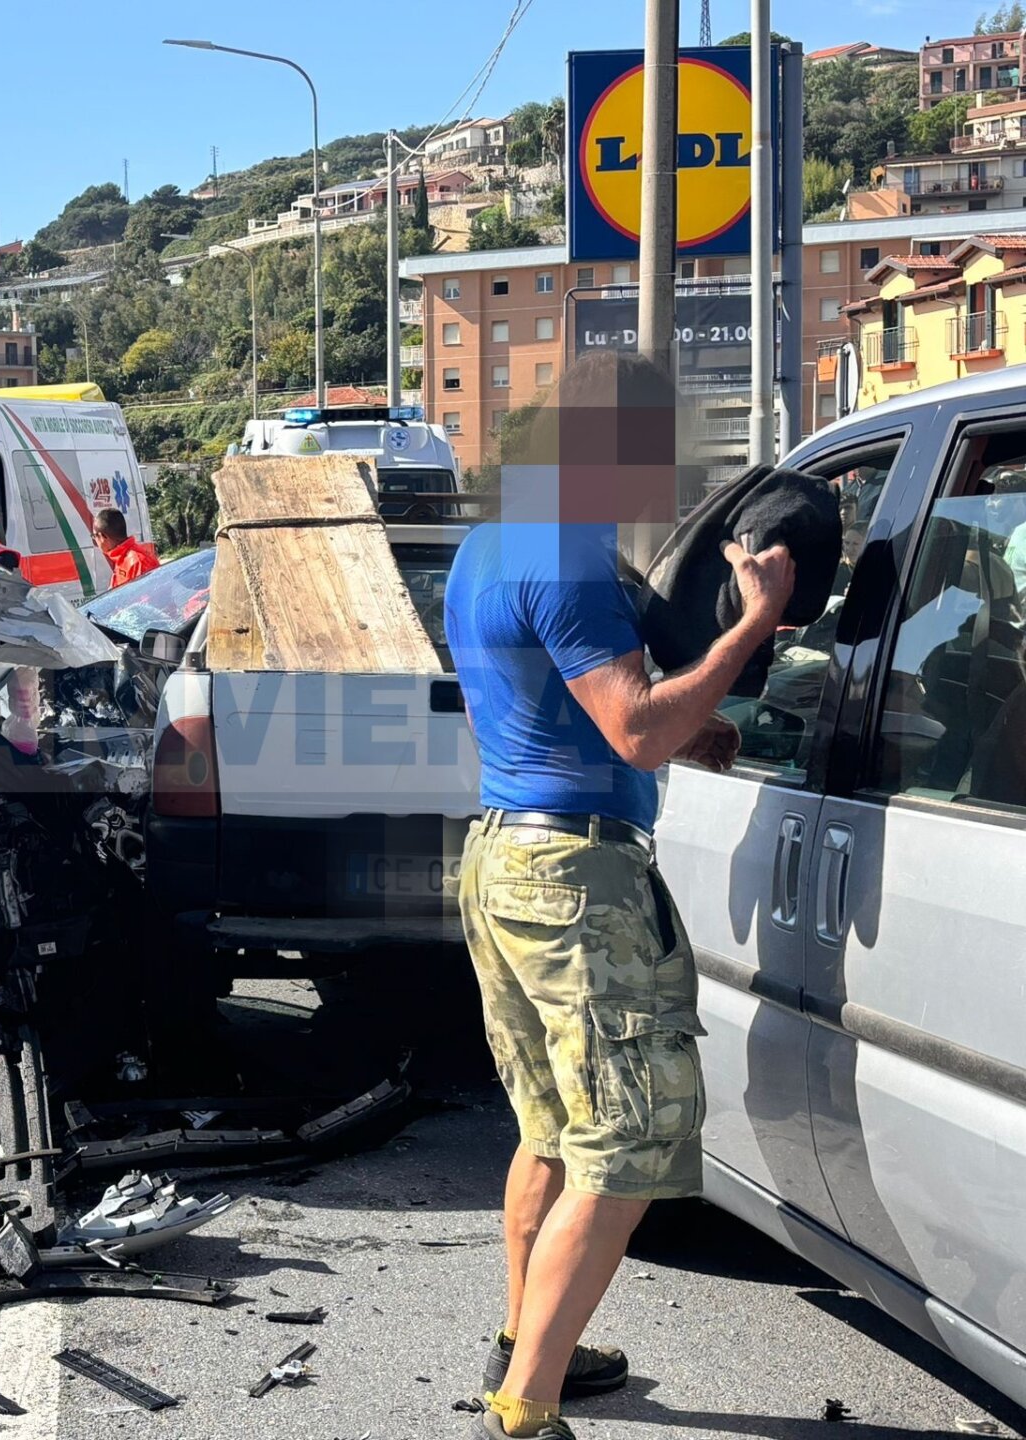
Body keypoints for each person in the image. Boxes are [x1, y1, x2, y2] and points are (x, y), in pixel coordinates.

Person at [443, 351, 797, 1440]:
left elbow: (567, 714)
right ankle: (527, 1405)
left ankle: (526, 1338)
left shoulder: (492, 543)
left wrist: (703, 728)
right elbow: (634, 725)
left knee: (551, 1127)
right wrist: (754, 623)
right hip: (574, 879)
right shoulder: (569, 557)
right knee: (630, 1139)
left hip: (505, 855)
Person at [93, 507, 158, 589]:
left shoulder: (137, 561)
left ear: (103, 537)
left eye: (94, 536)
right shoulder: (122, 558)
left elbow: (147, 598)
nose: (95, 541)